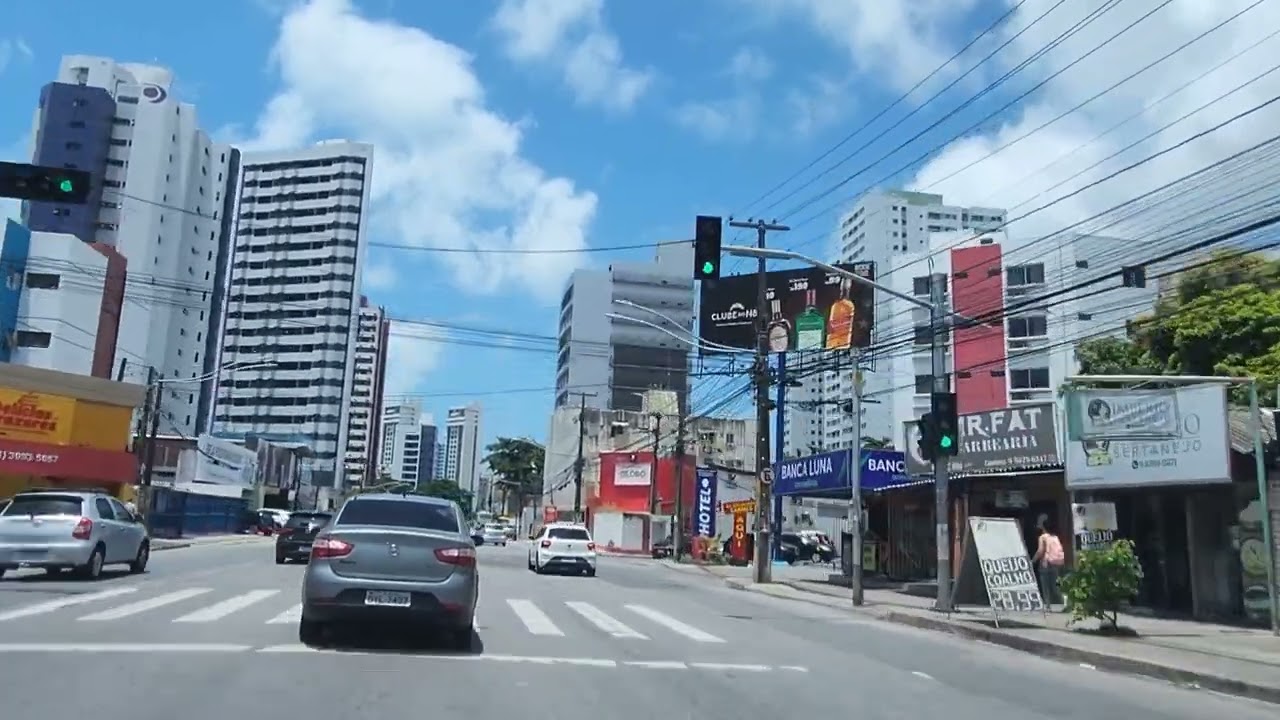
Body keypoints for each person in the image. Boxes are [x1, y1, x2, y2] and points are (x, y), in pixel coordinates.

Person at [1032, 521, 1067, 608]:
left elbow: (1040, 551)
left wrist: (1033, 560)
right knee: (1055, 586)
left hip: (1045, 563)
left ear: (1043, 528)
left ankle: (1047, 605)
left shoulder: (1042, 537)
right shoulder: (1055, 537)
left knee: (1045, 585)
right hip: (1055, 563)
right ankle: (1065, 601)